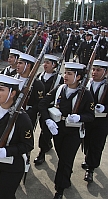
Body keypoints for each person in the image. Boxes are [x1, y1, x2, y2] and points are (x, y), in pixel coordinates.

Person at [38, 62, 94, 199]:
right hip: (58, 129)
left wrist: (80, 117)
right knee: (62, 157)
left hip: (73, 132)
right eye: (65, 73)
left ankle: (60, 189)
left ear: (78, 77)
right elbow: (43, 103)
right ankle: (65, 178)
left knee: (65, 160)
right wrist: (47, 120)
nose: (65, 76)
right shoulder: (60, 88)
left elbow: (91, 115)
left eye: (70, 74)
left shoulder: (85, 94)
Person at [34, 54, 64, 165]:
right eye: (44, 62)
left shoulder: (59, 79)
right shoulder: (39, 76)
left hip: (50, 108)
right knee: (42, 127)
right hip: (39, 106)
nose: (45, 64)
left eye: (48, 63)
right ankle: (47, 144)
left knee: (45, 131)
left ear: (54, 65)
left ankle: (42, 152)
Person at [82, 60, 108, 183]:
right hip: (87, 119)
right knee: (86, 142)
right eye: (94, 69)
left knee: (96, 145)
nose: (94, 72)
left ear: (105, 72)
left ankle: (91, 168)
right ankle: (88, 158)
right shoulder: (86, 83)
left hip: (102, 121)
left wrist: (105, 108)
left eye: (98, 70)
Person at [15, 53, 45, 129]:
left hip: (28, 117)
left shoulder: (37, 84)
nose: (17, 65)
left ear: (28, 66)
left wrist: (27, 113)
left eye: (20, 63)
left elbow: (39, 104)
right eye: (18, 62)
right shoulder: (13, 80)